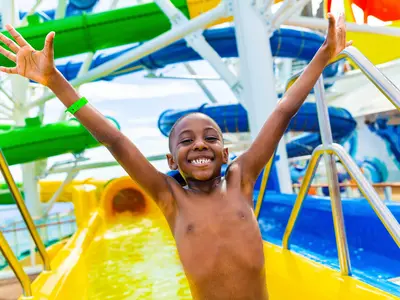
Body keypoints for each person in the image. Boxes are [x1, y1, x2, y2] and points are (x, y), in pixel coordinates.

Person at [0, 13, 351, 300]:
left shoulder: (240, 179)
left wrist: (323, 55)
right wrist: (56, 80)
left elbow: (282, 113)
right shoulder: (171, 199)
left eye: (210, 138)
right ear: (171, 162)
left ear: (225, 152)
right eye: (186, 141)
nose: (199, 144)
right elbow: (115, 140)